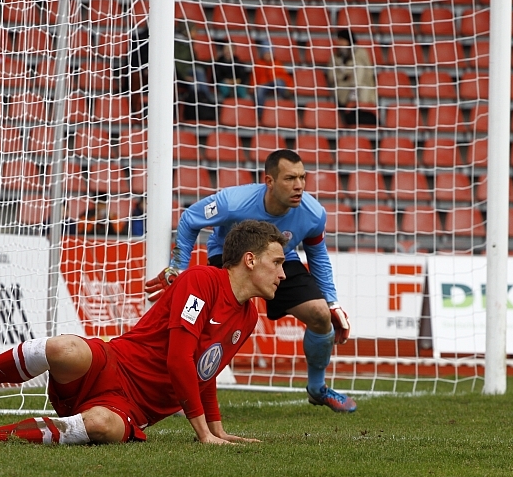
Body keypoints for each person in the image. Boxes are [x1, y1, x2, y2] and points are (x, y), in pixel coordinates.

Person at [0, 220, 287, 446]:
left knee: (101, 426)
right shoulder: (202, 280)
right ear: (250, 260)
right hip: (114, 364)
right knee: (64, 348)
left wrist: (218, 430)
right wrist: (202, 432)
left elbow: (206, 372)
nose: (283, 274)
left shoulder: (247, 317)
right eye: (277, 262)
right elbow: (178, 360)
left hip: (132, 409)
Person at [145, 149, 356, 413]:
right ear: (269, 181)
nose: (299, 185)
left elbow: (318, 256)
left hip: (279, 259)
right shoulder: (233, 202)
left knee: (320, 315)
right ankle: (178, 389)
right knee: (209, 328)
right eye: (290, 178)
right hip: (231, 257)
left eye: (302, 177)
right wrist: (178, 267)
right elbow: (190, 219)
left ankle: (317, 388)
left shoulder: (313, 213)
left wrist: (332, 302)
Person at [327, 29, 377, 127]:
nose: (340, 43)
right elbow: (332, 77)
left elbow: (368, 72)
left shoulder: (361, 53)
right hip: (344, 87)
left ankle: (355, 92)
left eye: (342, 40)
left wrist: (352, 73)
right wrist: (345, 75)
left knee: (360, 69)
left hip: (362, 85)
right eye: (339, 40)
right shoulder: (335, 57)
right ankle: (353, 94)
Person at [253, 38, 294, 112]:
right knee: (259, 90)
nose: (268, 55)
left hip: (275, 83)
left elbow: (284, 76)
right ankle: (260, 113)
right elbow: (255, 77)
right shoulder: (258, 64)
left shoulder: (277, 63)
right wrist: (253, 87)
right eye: (266, 53)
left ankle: (286, 98)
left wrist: (290, 88)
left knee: (279, 82)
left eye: (269, 53)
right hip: (264, 84)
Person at [211, 36, 251, 102]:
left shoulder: (238, 62)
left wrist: (237, 81)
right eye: (226, 49)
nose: (228, 51)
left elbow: (243, 77)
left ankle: (244, 103)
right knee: (222, 86)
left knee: (242, 90)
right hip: (224, 84)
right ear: (222, 50)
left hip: (237, 83)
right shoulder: (218, 63)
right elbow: (216, 77)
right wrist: (226, 81)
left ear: (234, 51)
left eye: (230, 49)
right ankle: (228, 100)